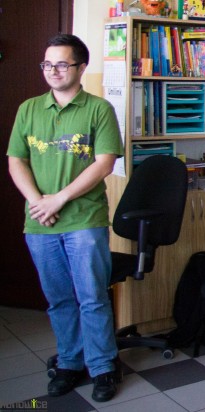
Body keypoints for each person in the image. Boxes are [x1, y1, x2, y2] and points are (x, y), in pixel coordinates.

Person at [7, 34, 124, 402]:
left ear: (81, 67)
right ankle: (71, 363)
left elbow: (104, 163)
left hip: (84, 220)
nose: (53, 71)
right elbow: (16, 160)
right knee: (59, 299)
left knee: (92, 297)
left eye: (61, 64)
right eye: (47, 64)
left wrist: (59, 198)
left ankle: (102, 366)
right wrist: (38, 202)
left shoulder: (99, 109)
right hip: (39, 222)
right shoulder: (28, 109)